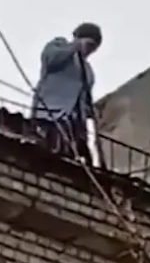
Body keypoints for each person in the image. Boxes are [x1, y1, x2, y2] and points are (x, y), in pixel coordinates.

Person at [31, 22, 102, 164]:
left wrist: (90, 113)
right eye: (89, 45)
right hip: (50, 113)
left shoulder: (88, 71)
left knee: (73, 156)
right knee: (48, 150)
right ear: (79, 38)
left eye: (93, 48)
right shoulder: (59, 46)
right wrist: (74, 47)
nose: (90, 51)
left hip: (73, 123)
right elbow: (50, 60)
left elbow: (85, 99)